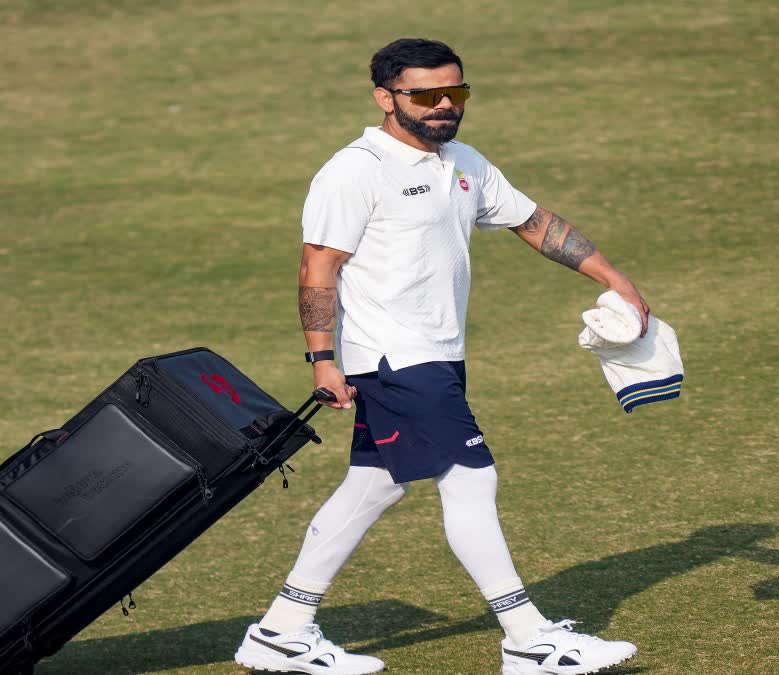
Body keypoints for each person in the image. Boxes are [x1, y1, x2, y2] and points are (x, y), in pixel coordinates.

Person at [234, 38, 647, 675]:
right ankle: (527, 637)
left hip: (438, 354)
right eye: (426, 95)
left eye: (456, 92)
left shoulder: (463, 162)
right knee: (472, 478)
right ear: (385, 97)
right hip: (394, 358)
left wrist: (612, 278)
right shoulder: (355, 170)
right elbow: (319, 267)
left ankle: (280, 631)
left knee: (375, 486)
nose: (444, 105)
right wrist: (322, 358)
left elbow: (532, 221)